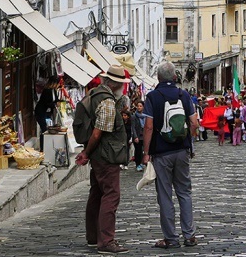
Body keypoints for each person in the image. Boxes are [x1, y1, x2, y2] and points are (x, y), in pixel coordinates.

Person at [142, 62, 199, 249]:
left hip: (161, 153)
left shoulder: (152, 97)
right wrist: (187, 142)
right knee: (184, 192)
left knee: (165, 196)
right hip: (181, 151)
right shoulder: (184, 95)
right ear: (175, 77)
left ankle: (171, 238)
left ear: (158, 78)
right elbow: (194, 124)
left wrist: (146, 153)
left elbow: (149, 126)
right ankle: (189, 235)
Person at [75, 65, 131, 254]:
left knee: (97, 194)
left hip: (99, 156)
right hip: (106, 155)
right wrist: (87, 153)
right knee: (111, 195)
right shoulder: (106, 102)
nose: (122, 88)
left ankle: (93, 237)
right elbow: (98, 133)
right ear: (113, 83)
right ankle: (106, 241)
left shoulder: (93, 95)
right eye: (121, 84)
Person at [34, 77, 59, 148]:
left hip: (48, 112)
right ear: (53, 84)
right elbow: (46, 102)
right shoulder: (46, 91)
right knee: (44, 129)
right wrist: (54, 104)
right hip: (41, 111)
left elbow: (55, 100)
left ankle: (47, 145)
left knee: (49, 128)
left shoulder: (54, 91)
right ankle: (43, 147)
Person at [131, 101, 146, 171]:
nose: (139, 107)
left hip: (144, 135)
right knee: (138, 151)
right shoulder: (134, 116)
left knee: (144, 150)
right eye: (138, 106)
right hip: (138, 135)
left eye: (140, 106)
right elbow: (133, 127)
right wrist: (135, 136)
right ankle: (138, 164)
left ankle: (142, 163)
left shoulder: (146, 115)